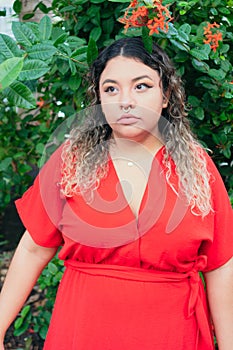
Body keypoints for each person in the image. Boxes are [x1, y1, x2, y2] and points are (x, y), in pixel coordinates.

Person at [0, 37, 232, 350]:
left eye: (141, 86)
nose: (126, 100)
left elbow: (220, 267)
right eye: (111, 88)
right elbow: (33, 249)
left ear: (165, 95)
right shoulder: (71, 160)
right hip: (83, 332)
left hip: (171, 334)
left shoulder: (198, 168)